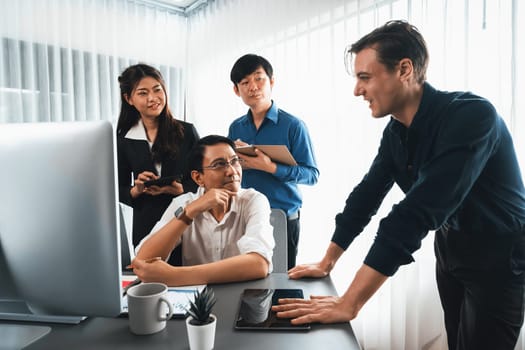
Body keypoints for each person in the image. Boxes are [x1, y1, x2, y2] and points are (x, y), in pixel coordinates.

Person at [273, 20, 525, 350]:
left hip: (500, 257)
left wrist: (350, 302)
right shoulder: (396, 132)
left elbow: (414, 214)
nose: (356, 90)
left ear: (404, 69)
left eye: (365, 77)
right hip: (451, 249)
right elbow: (365, 197)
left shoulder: (472, 117)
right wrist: (327, 261)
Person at [131, 135, 275, 286]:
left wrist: (175, 276)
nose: (232, 171)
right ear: (198, 178)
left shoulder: (254, 200)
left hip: (243, 295)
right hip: (197, 301)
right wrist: (190, 212)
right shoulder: (184, 203)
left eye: (234, 161)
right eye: (219, 165)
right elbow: (143, 261)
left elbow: (259, 264)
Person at [228, 54, 319, 269]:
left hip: (282, 218)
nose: (253, 87)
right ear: (236, 90)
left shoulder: (293, 126)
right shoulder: (236, 128)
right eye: (245, 82)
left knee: (281, 282)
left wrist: (270, 167)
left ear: (272, 82)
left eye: (259, 78)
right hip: (246, 215)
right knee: (247, 281)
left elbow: (312, 175)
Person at [117, 63, 200, 266]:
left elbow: (204, 177)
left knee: (186, 281)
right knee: (150, 281)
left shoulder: (186, 132)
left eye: (157, 90)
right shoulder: (123, 139)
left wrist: (179, 189)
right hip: (145, 222)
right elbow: (116, 189)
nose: (152, 98)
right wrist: (136, 190)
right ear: (129, 99)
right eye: (143, 93)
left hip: (184, 219)